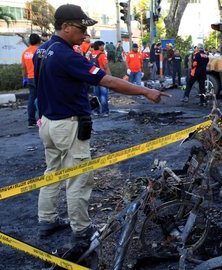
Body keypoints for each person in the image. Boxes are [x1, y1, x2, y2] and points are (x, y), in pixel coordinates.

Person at [33, 4, 170, 244]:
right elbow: (107, 80)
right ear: (65, 27)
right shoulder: (67, 56)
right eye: (80, 28)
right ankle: (82, 229)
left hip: (48, 123)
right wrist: (146, 91)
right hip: (68, 125)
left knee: (52, 171)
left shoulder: (43, 51)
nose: (85, 35)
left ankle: (47, 220)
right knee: (78, 177)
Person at [21, 33, 42, 128]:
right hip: (39, 77)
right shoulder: (40, 51)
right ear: (39, 41)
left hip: (30, 78)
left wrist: (24, 78)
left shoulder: (25, 52)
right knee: (42, 98)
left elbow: (23, 67)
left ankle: (31, 121)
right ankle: (42, 119)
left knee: (31, 99)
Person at [91, 41, 111, 116]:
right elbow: (106, 67)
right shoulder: (102, 55)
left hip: (94, 77)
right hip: (102, 77)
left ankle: (96, 111)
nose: (103, 47)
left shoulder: (91, 54)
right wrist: (110, 77)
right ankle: (105, 111)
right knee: (103, 95)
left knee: (96, 95)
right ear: (99, 46)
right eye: (102, 45)